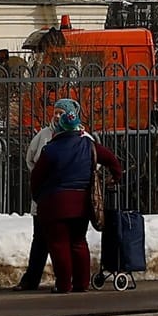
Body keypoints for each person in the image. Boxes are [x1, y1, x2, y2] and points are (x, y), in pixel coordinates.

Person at [29, 99, 124, 293]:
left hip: (54, 205)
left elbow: (36, 178)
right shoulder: (88, 145)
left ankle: (64, 285)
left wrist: (39, 197)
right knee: (79, 242)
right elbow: (111, 159)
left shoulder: (50, 150)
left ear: (60, 128)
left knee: (58, 244)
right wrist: (116, 176)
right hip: (82, 204)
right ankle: (81, 283)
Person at [16, 97, 79, 291]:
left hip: (68, 196)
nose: (57, 116)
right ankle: (31, 279)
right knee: (40, 239)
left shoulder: (81, 136)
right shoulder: (44, 134)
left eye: (62, 113)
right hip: (45, 196)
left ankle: (70, 279)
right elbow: (30, 158)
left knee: (68, 241)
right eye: (56, 112)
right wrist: (40, 176)